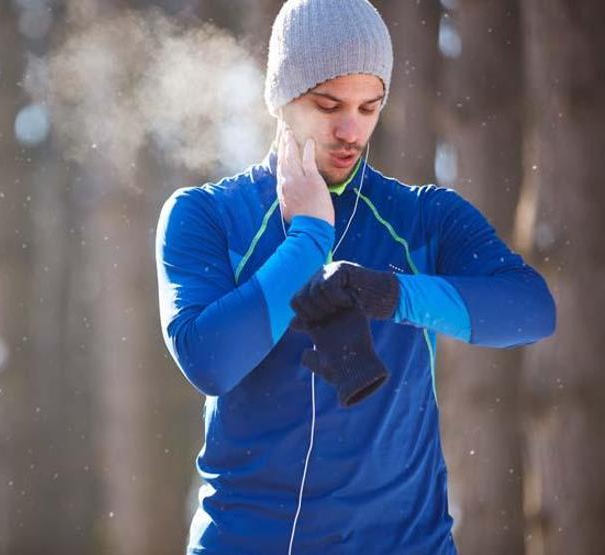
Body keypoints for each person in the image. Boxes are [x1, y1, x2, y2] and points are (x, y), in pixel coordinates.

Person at [153, 0, 556, 553]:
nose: (351, 130)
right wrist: (308, 240)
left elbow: (532, 310)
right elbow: (210, 360)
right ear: (281, 97)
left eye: (370, 108)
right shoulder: (207, 215)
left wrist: (395, 294)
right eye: (328, 104)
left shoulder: (421, 217)